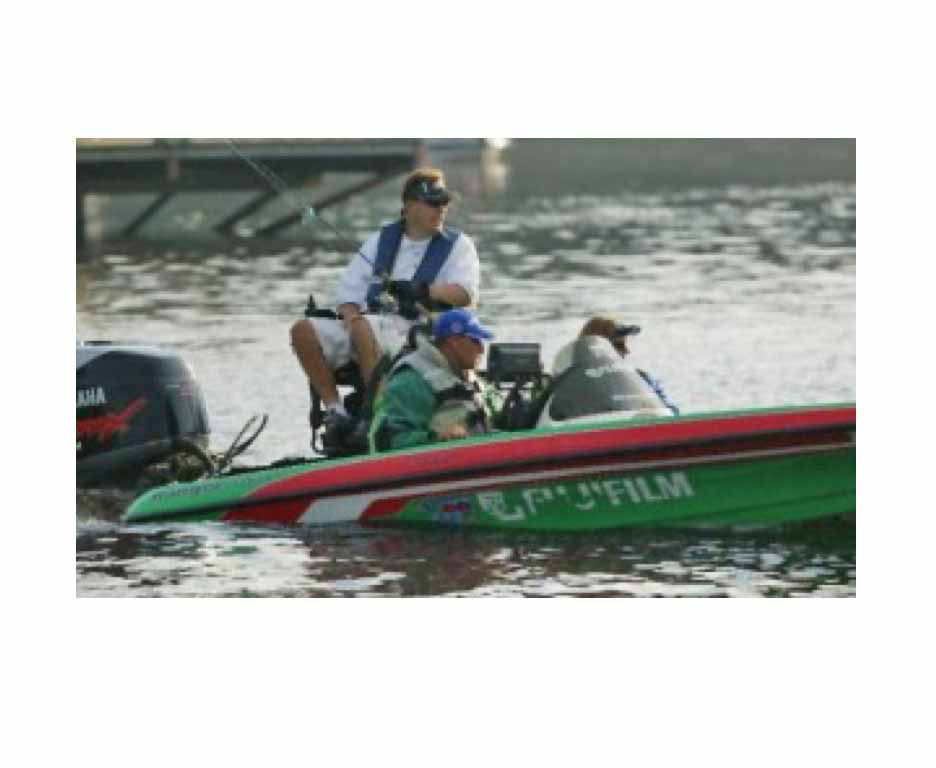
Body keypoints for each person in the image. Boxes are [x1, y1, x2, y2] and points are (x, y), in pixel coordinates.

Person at [289, 168, 481, 448]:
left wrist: (423, 290)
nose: (441, 209)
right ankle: (335, 411)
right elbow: (347, 293)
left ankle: (376, 413)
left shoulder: (458, 245)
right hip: (370, 324)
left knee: (365, 327)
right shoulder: (381, 240)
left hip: (420, 331)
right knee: (304, 330)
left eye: (444, 203)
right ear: (410, 205)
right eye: (433, 203)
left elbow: (465, 294)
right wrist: (351, 317)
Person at [368, 308, 498, 452]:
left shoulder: (470, 378)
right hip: (429, 467)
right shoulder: (411, 381)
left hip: (473, 458)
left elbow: (497, 411)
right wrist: (438, 438)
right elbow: (391, 440)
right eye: (475, 341)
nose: (481, 349)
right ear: (454, 341)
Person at [553, 315, 680, 415]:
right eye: (619, 345)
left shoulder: (642, 379)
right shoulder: (566, 386)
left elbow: (671, 413)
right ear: (596, 349)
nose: (627, 351)